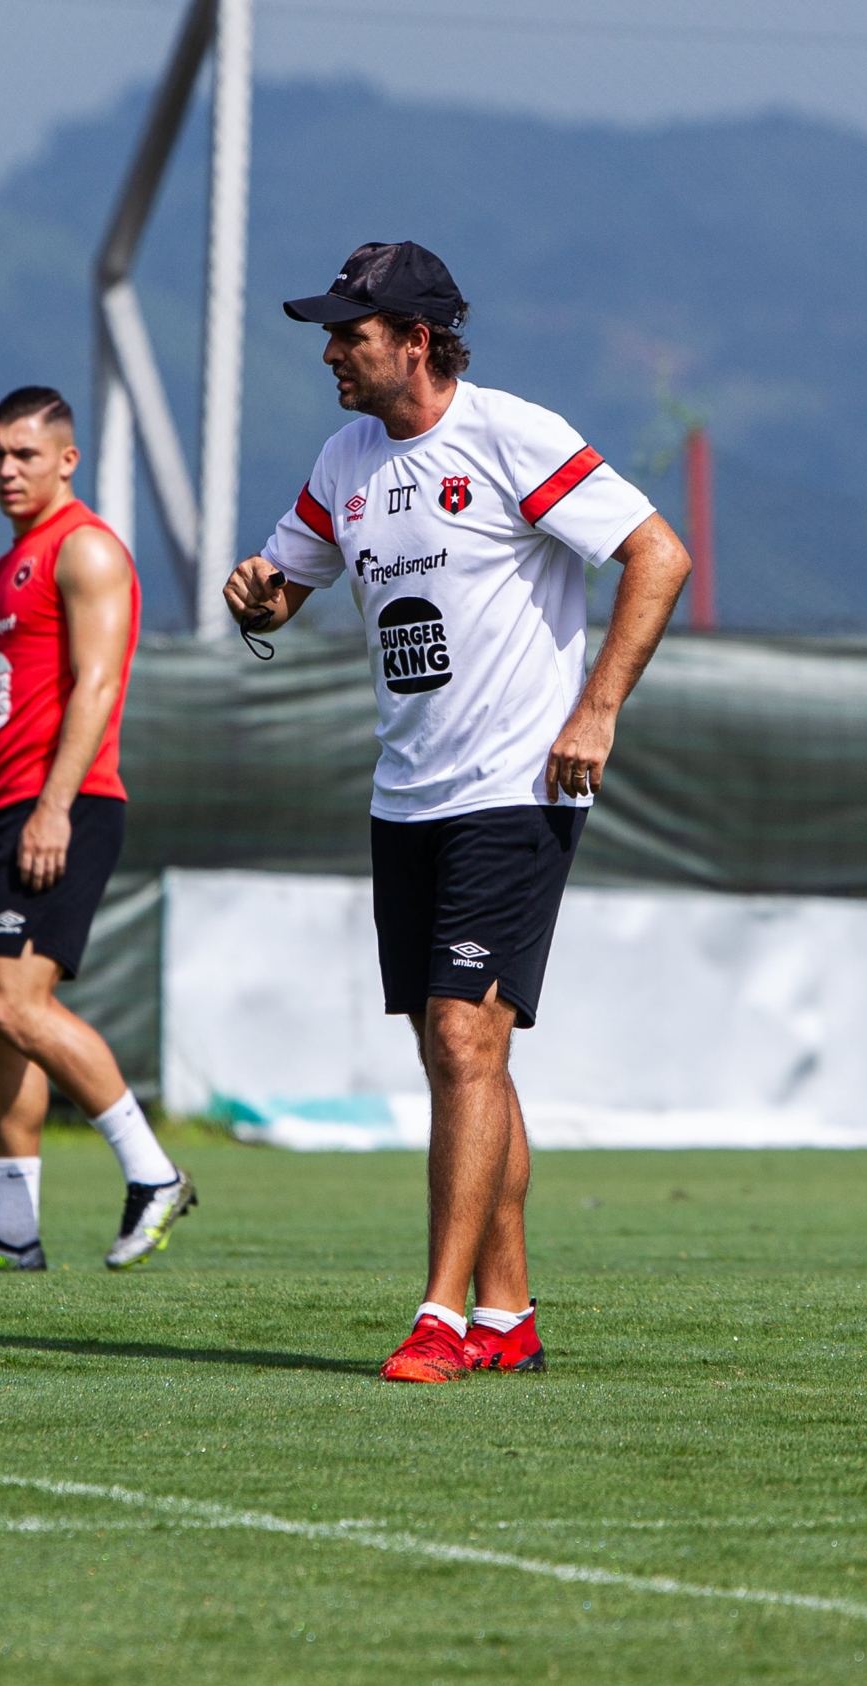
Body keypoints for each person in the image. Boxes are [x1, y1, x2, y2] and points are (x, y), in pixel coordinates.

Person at [223, 242, 689, 1383]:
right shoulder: (344, 458)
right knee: (461, 1061)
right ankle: (507, 1314)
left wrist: (597, 711)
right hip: (407, 799)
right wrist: (256, 598)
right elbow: (287, 584)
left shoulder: (507, 434)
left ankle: (437, 1317)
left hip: (516, 788)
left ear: (416, 340)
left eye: (350, 334)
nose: (331, 354)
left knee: (463, 1038)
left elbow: (657, 554)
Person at [0, 387, 194, 1273]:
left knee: (14, 1002)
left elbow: (99, 685)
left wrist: (55, 806)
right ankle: (13, 1231)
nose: (7, 469)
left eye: (25, 454)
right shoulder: (9, 565)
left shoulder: (85, 548)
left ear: (68, 459)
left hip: (63, 804)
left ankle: (153, 1173)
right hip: (0, 811)